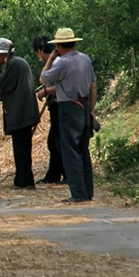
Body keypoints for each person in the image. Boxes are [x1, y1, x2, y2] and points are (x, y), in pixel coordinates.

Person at [40, 28, 97, 203]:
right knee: (83, 149)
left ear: (58, 46)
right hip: (84, 105)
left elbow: (43, 78)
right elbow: (93, 86)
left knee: (70, 151)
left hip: (69, 107)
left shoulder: (62, 63)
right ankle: (87, 191)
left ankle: (78, 193)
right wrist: (91, 110)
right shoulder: (85, 59)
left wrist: (50, 58)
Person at [0, 38, 41, 190]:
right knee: (22, 148)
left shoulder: (14, 64)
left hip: (21, 112)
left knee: (21, 149)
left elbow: (1, 83)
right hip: (23, 111)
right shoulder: (16, 63)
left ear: (2, 54)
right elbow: (11, 87)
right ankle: (22, 179)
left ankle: (24, 181)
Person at [32, 36, 66, 184]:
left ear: (39, 51)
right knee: (53, 142)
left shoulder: (56, 63)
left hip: (61, 106)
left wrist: (45, 91)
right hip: (56, 106)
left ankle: (66, 175)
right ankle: (53, 175)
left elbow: (44, 80)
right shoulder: (55, 62)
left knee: (58, 142)